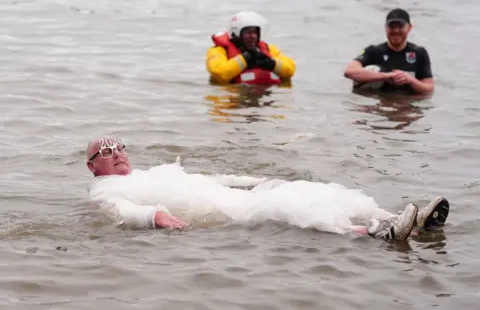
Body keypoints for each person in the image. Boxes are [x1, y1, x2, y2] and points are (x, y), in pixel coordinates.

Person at [85, 134, 450, 241]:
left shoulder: (147, 172)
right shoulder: (104, 189)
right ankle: (377, 235)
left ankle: (408, 222)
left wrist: (251, 181)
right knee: (294, 209)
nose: (115, 153)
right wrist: (157, 217)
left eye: (119, 146)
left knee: (317, 190)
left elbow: (207, 180)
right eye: (105, 151)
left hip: (232, 196)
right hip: (228, 212)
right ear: (93, 166)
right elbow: (121, 211)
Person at [344, 8, 434, 95]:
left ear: (409, 28)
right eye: (392, 26)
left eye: (400, 26)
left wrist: (411, 80)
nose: (396, 31)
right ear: (386, 27)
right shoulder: (374, 51)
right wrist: (386, 76)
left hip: (408, 105)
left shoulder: (419, 53)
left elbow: (429, 88)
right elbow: (349, 71)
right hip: (381, 105)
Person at [206, 11, 296, 86]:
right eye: (248, 33)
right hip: (234, 102)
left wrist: (271, 64)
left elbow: (290, 70)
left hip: (263, 99)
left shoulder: (268, 49)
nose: (252, 36)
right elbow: (220, 73)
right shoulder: (219, 50)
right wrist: (246, 58)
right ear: (236, 33)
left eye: (255, 32)